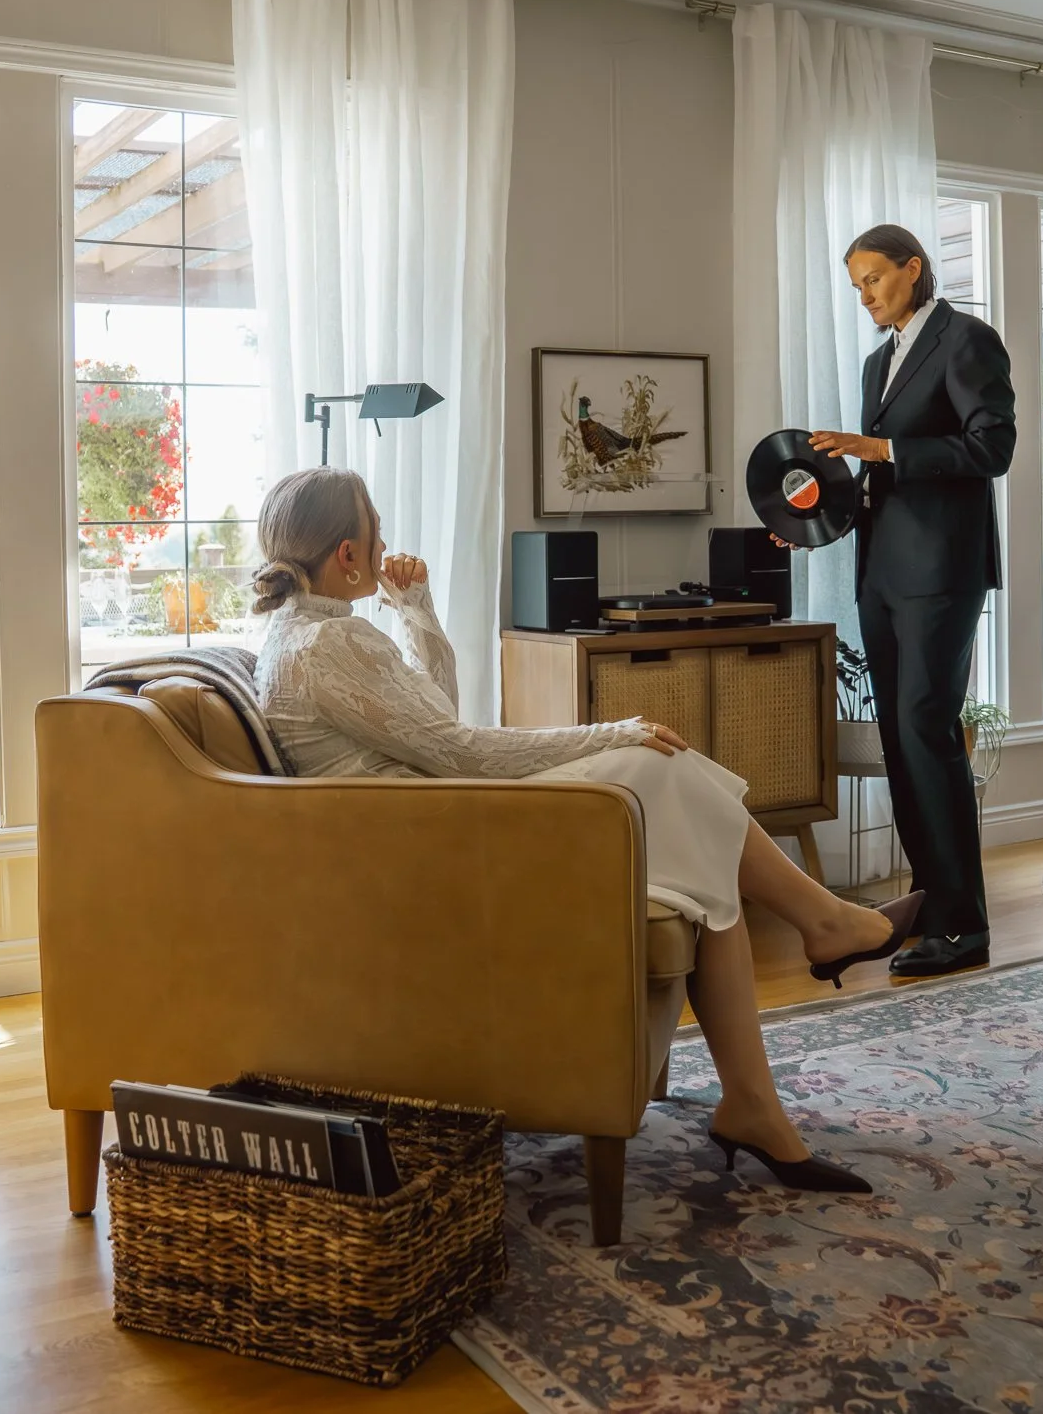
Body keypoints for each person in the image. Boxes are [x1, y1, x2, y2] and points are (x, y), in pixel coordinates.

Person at [249, 466, 926, 1192]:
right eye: (375, 529)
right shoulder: (328, 648)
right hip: (447, 844)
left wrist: (414, 607)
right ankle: (823, 931)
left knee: (673, 798)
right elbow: (462, 748)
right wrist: (609, 731)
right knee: (654, 762)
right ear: (349, 553)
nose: (385, 543)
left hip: (438, 821)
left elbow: (438, 716)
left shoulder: (309, 636)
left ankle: (758, 1086)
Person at [808, 223, 1016, 979]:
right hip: (883, 573)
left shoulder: (966, 340)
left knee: (927, 730)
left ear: (913, 268)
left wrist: (885, 449)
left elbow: (993, 447)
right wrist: (807, 525)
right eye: (857, 286)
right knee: (899, 739)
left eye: (874, 279)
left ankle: (966, 927)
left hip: (942, 572)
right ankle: (932, 914)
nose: (864, 296)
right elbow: (875, 483)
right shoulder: (877, 365)